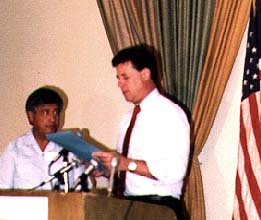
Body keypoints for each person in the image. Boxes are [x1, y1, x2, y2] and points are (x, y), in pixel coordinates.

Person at [92, 45, 190, 219]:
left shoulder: (170, 113)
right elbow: (128, 168)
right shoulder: (128, 118)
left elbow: (174, 170)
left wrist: (126, 164)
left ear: (145, 74)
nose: (119, 84)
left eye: (125, 77)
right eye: (118, 78)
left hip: (159, 209)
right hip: (129, 206)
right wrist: (109, 169)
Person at [0, 86, 85, 191]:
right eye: (46, 112)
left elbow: (83, 192)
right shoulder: (15, 150)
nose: (53, 118)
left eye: (56, 112)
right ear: (31, 116)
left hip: (63, 207)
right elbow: (3, 193)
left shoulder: (70, 149)